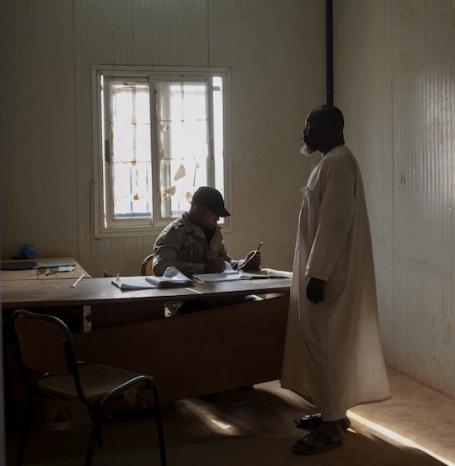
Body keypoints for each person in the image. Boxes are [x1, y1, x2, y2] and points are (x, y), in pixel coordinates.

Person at [281, 105, 390, 455]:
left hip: (329, 276)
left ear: (329, 128)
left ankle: (331, 428)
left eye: (310, 125)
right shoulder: (327, 163)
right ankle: (334, 413)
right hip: (324, 271)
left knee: (325, 345)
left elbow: (334, 223)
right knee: (326, 346)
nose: (305, 131)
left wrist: (319, 274)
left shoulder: (338, 163)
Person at [152, 186, 260, 277]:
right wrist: (204, 268)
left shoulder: (215, 233)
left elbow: (223, 264)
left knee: (254, 300)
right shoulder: (175, 233)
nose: (217, 219)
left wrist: (244, 264)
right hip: (185, 297)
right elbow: (160, 267)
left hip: (212, 294)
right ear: (197, 208)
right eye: (213, 214)